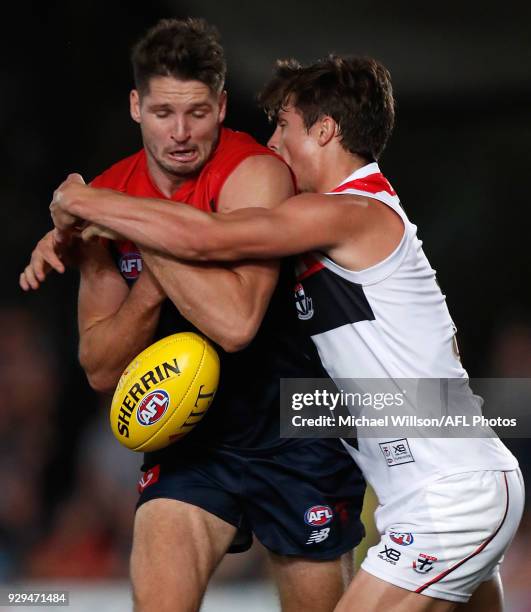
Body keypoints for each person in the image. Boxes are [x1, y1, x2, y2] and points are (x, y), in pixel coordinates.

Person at [46, 55, 525, 611]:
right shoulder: (349, 225)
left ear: (325, 131)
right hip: (439, 493)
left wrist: (94, 202)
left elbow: (208, 237)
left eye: (284, 126)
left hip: (449, 499)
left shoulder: (353, 211)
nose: (270, 143)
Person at [20, 22, 367, 612]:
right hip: (192, 438)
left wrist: (140, 233)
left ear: (222, 107)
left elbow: (236, 324)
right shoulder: (108, 195)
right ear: (136, 106)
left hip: (296, 427)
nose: (180, 133)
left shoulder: (255, 173)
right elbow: (100, 368)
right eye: (162, 113)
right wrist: (150, 280)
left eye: (197, 113)